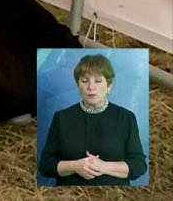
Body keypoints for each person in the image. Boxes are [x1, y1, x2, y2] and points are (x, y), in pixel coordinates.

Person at [38, 53, 148, 186]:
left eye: (98, 80)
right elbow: (45, 165)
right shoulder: (62, 117)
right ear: (78, 87)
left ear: (109, 86)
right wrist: (75, 166)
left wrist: (103, 167)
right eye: (84, 81)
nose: (91, 87)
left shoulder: (126, 117)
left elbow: (139, 165)